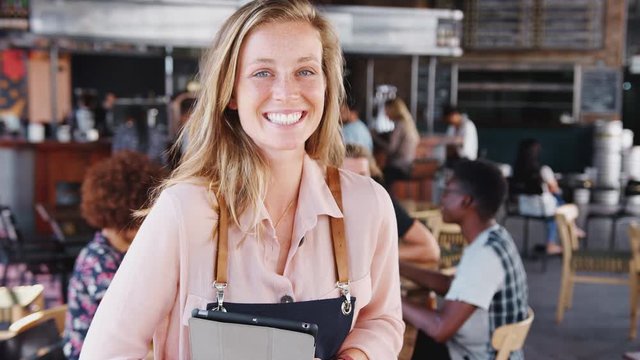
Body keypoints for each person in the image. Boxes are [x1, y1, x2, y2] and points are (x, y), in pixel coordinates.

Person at [81, 1, 404, 359]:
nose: (286, 91)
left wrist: (357, 355)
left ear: (327, 86)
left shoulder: (368, 205)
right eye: (262, 72)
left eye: (306, 71)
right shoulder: (184, 211)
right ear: (231, 92)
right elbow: (105, 352)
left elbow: (382, 320)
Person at [401, 160, 529, 360]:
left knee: (402, 339)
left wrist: (388, 297)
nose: (441, 198)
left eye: (448, 191)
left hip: (476, 356)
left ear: (466, 201)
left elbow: (440, 329)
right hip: (476, 350)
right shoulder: (494, 238)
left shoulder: (484, 256)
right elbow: (450, 284)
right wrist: (397, 267)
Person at [63, 151, 166, 360]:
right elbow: (130, 322)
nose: (148, 227)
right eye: (141, 220)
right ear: (124, 217)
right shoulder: (98, 262)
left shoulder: (120, 252)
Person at [343, 143, 440, 264]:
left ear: (372, 178)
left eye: (362, 177)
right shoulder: (323, 207)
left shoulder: (382, 204)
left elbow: (430, 249)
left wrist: (378, 256)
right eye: (347, 177)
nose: (356, 185)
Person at [511, 138, 564, 255]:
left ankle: (554, 241)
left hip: (523, 207)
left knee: (556, 203)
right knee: (559, 202)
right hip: (542, 208)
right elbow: (555, 189)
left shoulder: (515, 171)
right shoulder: (543, 170)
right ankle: (553, 242)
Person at [375, 97, 420, 189]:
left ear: (393, 110)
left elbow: (391, 149)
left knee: (377, 181)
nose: (385, 114)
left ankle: (393, 203)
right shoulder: (409, 123)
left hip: (398, 167)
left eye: (386, 110)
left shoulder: (400, 125)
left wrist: (375, 138)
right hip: (409, 165)